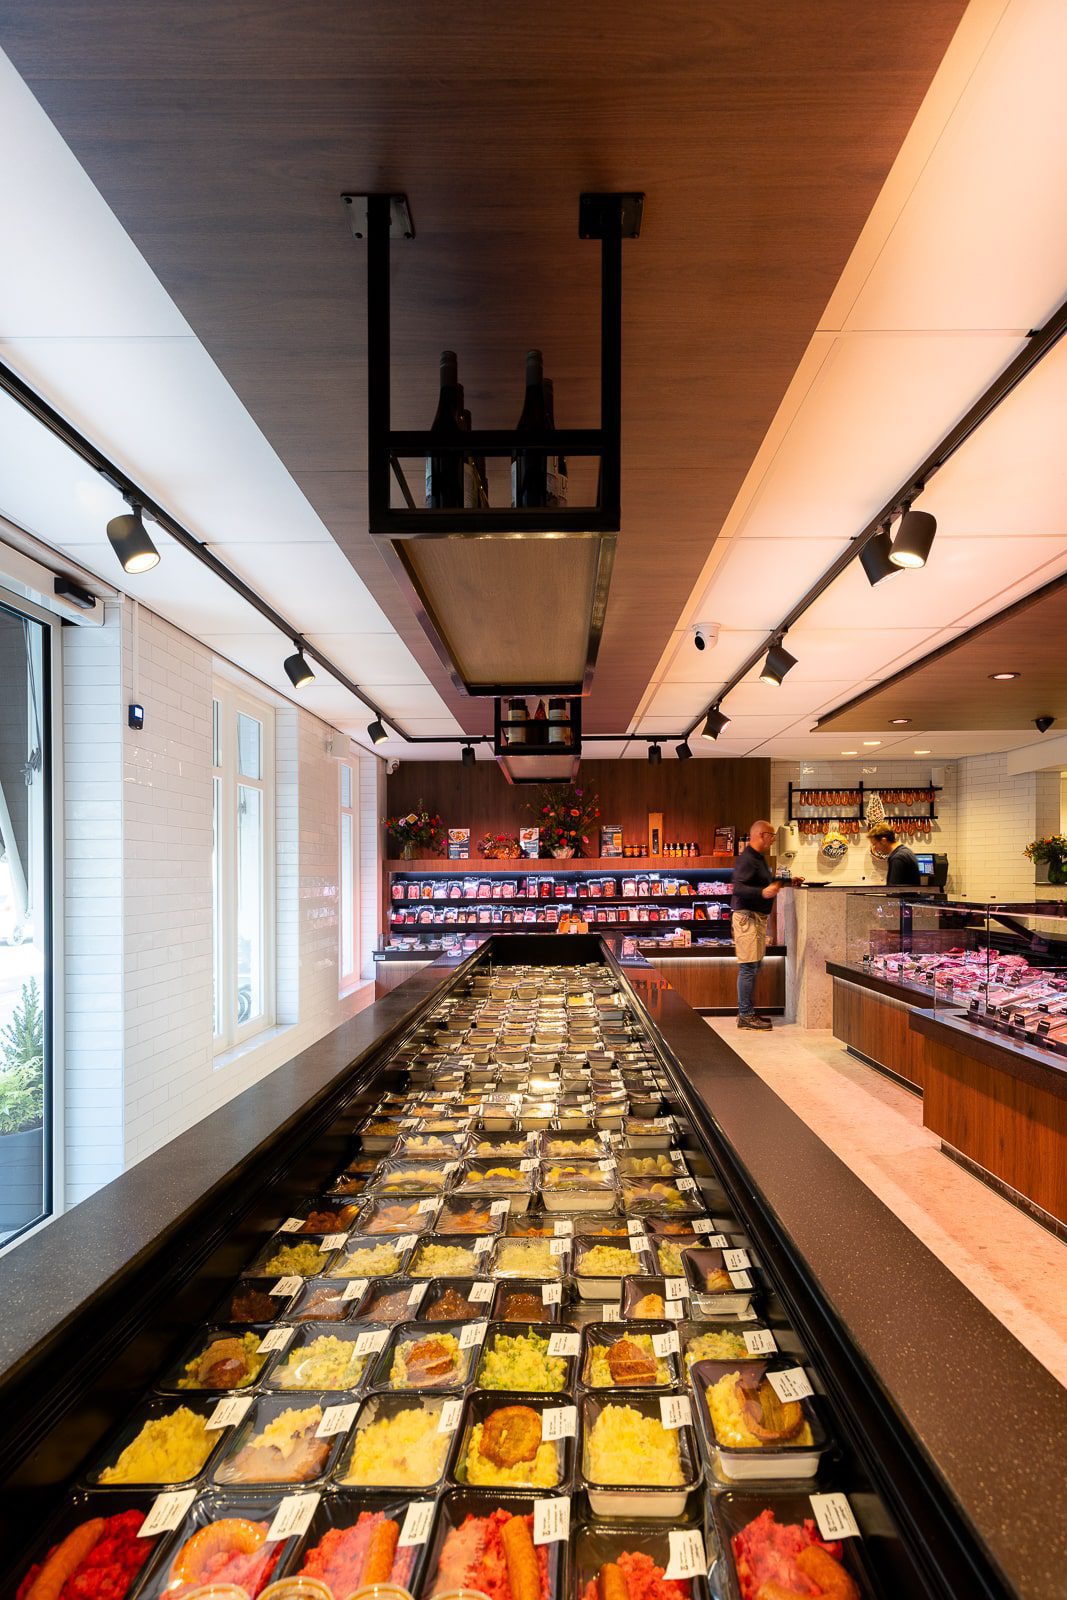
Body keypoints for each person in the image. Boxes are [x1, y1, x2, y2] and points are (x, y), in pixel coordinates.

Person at [731, 820, 799, 1029]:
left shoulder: (758, 858)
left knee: (753, 966)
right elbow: (738, 888)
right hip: (747, 918)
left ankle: (747, 1013)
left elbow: (764, 882)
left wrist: (786, 882)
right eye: (772, 835)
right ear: (761, 834)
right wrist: (762, 892)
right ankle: (745, 1015)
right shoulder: (747, 859)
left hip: (755, 918)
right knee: (748, 967)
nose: (774, 839)